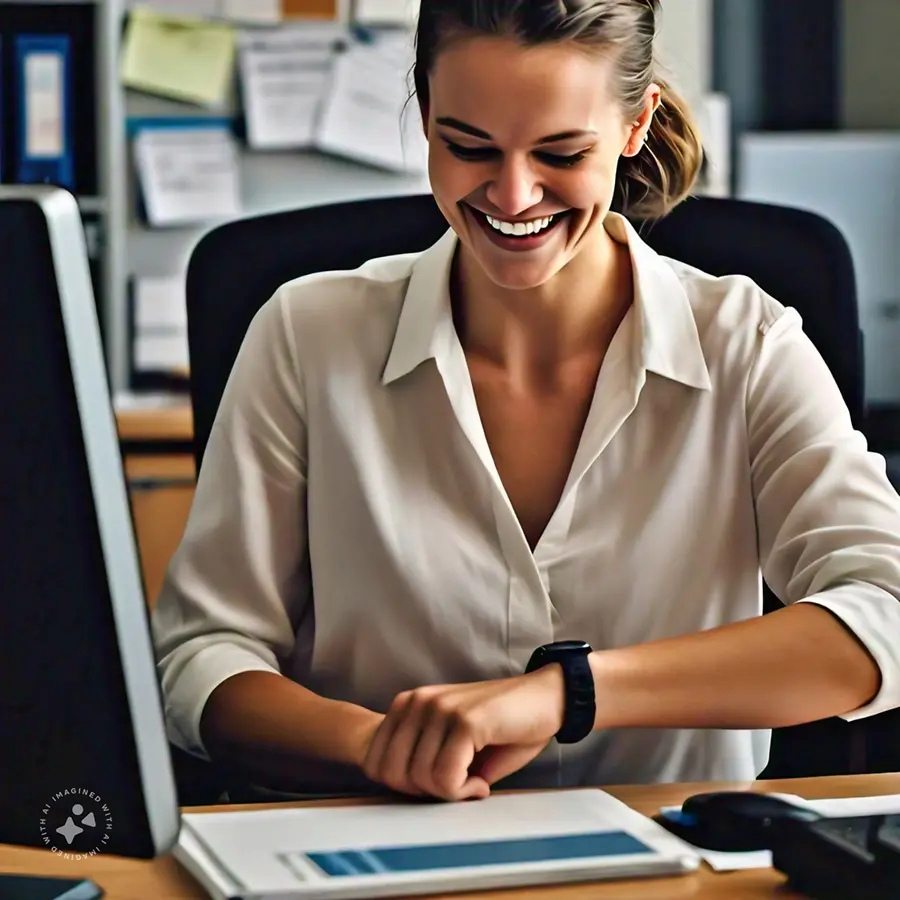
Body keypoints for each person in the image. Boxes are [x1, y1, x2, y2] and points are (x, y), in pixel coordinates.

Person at [152, 0, 900, 802]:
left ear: (635, 125)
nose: (512, 195)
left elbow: (886, 609)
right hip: (379, 849)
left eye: (561, 151)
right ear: (427, 111)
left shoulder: (745, 343)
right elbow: (203, 657)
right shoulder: (308, 333)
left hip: (665, 864)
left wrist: (566, 693)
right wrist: (383, 746)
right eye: (468, 146)